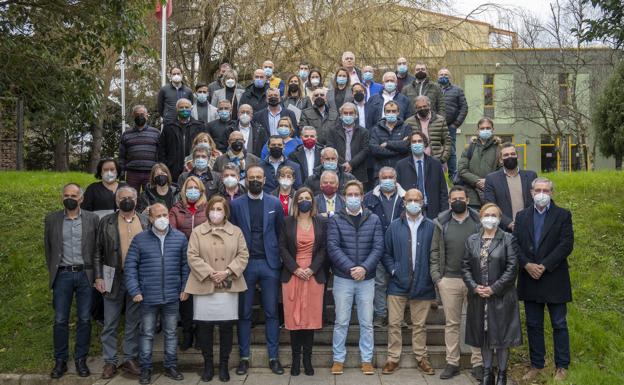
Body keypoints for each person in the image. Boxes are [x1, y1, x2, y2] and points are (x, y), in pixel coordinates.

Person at [513, 178, 574, 382]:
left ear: (551, 193)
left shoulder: (563, 215)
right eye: (537, 190)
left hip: (554, 277)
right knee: (533, 325)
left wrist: (545, 265)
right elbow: (515, 244)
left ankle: (562, 366)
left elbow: (566, 244)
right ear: (531, 193)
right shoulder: (521, 217)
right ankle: (536, 365)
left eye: (545, 190)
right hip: (530, 278)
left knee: (559, 324)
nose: (541, 193)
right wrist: (527, 265)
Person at [124, 203, 190, 385]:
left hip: (172, 296)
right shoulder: (139, 239)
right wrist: (134, 290)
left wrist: (185, 288)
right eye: (158, 215)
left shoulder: (180, 238)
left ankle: (171, 366)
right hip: (147, 297)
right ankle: (145, 369)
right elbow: (130, 267)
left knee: (170, 333)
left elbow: (186, 266)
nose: (162, 218)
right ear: (150, 218)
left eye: (165, 215)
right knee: (146, 334)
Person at [185, 195, 249, 382]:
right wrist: (210, 272)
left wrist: (228, 271)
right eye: (213, 209)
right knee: (204, 327)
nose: (215, 213)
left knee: (226, 327)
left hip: (228, 284)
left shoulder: (236, 231)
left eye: (219, 209)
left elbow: (243, 254)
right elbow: (192, 255)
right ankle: (207, 366)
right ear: (207, 212)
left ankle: (223, 366)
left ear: (226, 212)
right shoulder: (197, 231)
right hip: (205, 283)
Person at [229, 165, 286, 375]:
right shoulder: (236, 205)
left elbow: (281, 231)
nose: (255, 180)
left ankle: (273, 357)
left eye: (258, 177)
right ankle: (244, 357)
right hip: (245, 265)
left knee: (272, 312)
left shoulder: (274, 203)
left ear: (264, 180)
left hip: (270, 264)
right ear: (245, 180)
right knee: (244, 313)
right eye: (251, 177)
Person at [327, 180, 384, 375]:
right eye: (349, 195)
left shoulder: (373, 219)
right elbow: (333, 247)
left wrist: (364, 268)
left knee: (366, 322)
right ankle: (338, 359)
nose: (353, 198)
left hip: (366, 280)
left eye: (356, 195)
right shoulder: (336, 219)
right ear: (344, 197)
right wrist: (352, 268)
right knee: (341, 321)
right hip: (343, 278)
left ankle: (367, 360)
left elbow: (378, 247)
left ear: (362, 197)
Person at [462, 203, 522, 385]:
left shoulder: (508, 239)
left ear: (499, 217)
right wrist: (474, 286)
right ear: (480, 217)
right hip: (479, 297)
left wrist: (494, 288)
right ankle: (488, 373)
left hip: (501, 297)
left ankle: (502, 373)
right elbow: (464, 266)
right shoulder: (472, 240)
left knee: (502, 338)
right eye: (487, 214)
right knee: (484, 337)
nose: (490, 218)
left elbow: (512, 268)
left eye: (494, 215)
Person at [45, 183, 100, 379]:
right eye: (66, 195)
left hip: (85, 275)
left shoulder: (92, 219)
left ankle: (80, 359)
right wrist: (54, 274)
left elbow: (96, 251)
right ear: (62, 197)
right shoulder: (51, 219)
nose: (70, 198)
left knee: (84, 319)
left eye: (74, 195)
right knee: (60, 319)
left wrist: (97, 276)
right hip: (63, 275)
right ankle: (60, 361)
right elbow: (49, 250)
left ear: (81, 199)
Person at [94, 187, 150, 379]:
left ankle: (129, 358)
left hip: (137, 278)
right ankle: (109, 361)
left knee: (133, 322)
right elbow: (97, 252)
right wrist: (98, 276)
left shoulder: (144, 221)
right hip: (112, 276)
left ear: (136, 200)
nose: (127, 200)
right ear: (117, 202)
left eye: (130, 197)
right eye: (122, 198)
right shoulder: (106, 221)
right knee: (110, 322)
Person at [430, 185, 484, 381]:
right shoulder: (441, 222)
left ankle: (478, 363)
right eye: (454, 199)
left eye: (461, 198)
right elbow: (434, 251)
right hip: (449, 279)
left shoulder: (479, 221)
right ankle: (452, 362)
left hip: (475, 280)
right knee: (452, 323)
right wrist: (438, 278)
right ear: (449, 201)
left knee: (476, 322)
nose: (458, 201)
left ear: (468, 200)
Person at [380, 188, 436, 375]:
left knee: (419, 325)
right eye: (409, 199)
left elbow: (437, 253)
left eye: (417, 199)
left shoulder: (431, 226)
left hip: (423, 283)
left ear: (422, 202)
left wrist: (431, 274)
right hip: (397, 283)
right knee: (394, 323)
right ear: (404, 202)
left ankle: (421, 357)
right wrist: (394, 269)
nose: (413, 202)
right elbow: (386, 253)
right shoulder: (395, 226)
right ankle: (393, 358)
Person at [279, 187, 327, 376]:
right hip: (292, 274)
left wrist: (312, 269)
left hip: (313, 275)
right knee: (294, 319)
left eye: (308, 198)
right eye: (301, 198)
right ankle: (295, 360)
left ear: (312, 202)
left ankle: (308, 360)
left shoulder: (321, 222)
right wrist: (296, 269)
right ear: (296, 201)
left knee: (310, 319)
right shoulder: (287, 222)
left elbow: (324, 249)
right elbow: (282, 247)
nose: (305, 201)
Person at [169, 176, 209, 350]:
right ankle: (187, 332)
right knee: (185, 299)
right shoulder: (176, 209)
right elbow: (171, 232)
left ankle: (201, 334)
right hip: (182, 259)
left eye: (196, 188)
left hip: (203, 260)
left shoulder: (207, 209)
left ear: (201, 190)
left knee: (202, 298)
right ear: (184, 191)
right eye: (189, 188)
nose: (192, 191)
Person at [363, 167, 405, 328]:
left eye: (390, 177)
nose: (387, 179)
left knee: (399, 281)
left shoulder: (405, 197)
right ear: (379, 179)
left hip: (399, 246)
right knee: (379, 282)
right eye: (384, 177)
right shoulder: (369, 198)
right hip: (377, 246)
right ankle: (380, 314)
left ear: (396, 178)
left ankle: (398, 317)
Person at [484, 143, 537, 232]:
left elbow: (535, 201)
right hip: (504, 229)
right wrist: (509, 223)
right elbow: (491, 205)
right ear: (501, 160)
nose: (510, 157)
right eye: (506, 155)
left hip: (529, 227)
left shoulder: (531, 176)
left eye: (513, 154)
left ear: (517, 156)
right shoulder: (491, 179)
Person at [396, 131, 449, 219]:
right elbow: (398, 190)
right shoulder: (401, 165)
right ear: (410, 145)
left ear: (425, 144)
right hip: (410, 210)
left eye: (420, 141)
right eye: (414, 142)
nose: (417, 144)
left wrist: (444, 214)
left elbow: (443, 191)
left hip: (432, 211)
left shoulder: (436, 164)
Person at [457, 117, 501, 209]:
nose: (485, 130)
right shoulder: (469, 148)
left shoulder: (499, 148)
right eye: (482, 128)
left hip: (493, 194)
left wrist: (488, 181)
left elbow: (503, 169)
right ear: (478, 130)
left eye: (488, 128)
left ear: (493, 129)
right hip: (472, 195)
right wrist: (476, 181)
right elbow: (462, 169)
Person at [158, 98, 206, 181]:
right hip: (173, 169)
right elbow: (162, 148)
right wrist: (165, 165)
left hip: (193, 167)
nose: (184, 109)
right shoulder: (169, 127)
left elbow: (205, 147)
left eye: (187, 107)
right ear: (177, 109)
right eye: (181, 107)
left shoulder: (199, 126)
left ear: (191, 108)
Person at [119, 105, 160, 194]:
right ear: (133, 116)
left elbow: (160, 153)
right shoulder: (126, 134)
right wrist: (121, 172)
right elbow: (122, 156)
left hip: (151, 173)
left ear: (147, 116)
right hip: (132, 173)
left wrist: (159, 170)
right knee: (131, 197)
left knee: (151, 198)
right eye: (137, 114)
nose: (140, 116)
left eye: (142, 114)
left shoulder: (156, 133)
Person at [326, 102, 370, 185]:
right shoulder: (332, 131)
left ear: (356, 115)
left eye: (351, 113)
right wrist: (343, 164)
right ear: (341, 115)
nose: (348, 115)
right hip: (338, 170)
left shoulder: (364, 132)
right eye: (345, 113)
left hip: (358, 171)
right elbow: (331, 149)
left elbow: (365, 150)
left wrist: (351, 164)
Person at [438, 68, 468, 180]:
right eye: (441, 74)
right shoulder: (434, 89)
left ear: (450, 77)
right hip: (435, 126)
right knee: (434, 149)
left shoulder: (457, 90)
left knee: (451, 151)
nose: (443, 76)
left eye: (445, 74)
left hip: (450, 126)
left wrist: (456, 124)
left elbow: (464, 108)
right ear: (437, 77)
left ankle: (452, 176)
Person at [404, 95, 452, 165]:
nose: (422, 108)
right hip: (416, 161)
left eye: (424, 106)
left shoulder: (440, 120)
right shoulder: (409, 122)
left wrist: (443, 158)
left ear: (429, 106)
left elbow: (447, 141)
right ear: (415, 108)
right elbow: (407, 142)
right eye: (419, 107)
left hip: (437, 160)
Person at [369, 100, 411, 176]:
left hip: (401, 171)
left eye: (394, 111)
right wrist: (398, 150)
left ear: (398, 112)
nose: (391, 113)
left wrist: (387, 144)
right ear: (384, 113)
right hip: (381, 171)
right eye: (388, 111)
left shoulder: (406, 127)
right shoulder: (376, 129)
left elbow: (406, 147)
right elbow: (375, 150)